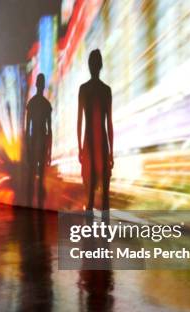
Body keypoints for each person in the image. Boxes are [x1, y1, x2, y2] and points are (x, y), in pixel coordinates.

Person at [77, 49, 114, 213]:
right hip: (103, 145)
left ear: (90, 66)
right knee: (105, 197)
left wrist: (80, 148)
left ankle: (88, 235)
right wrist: (111, 152)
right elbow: (109, 124)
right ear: (100, 66)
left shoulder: (83, 89)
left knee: (89, 197)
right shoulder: (106, 90)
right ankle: (105, 236)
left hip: (88, 144)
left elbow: (79, 122)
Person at [25, 73, 52, 208]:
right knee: (40, 177)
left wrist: (27, 148)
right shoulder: (46, 105)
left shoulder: (32, 103)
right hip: (41, 142)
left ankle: (30, 204)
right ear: (42, 85)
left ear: (36, 84)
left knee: (31, 176)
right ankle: (39, 206)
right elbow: (49, 130)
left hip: (34, 141)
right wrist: (49, 151)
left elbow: (27, 129)